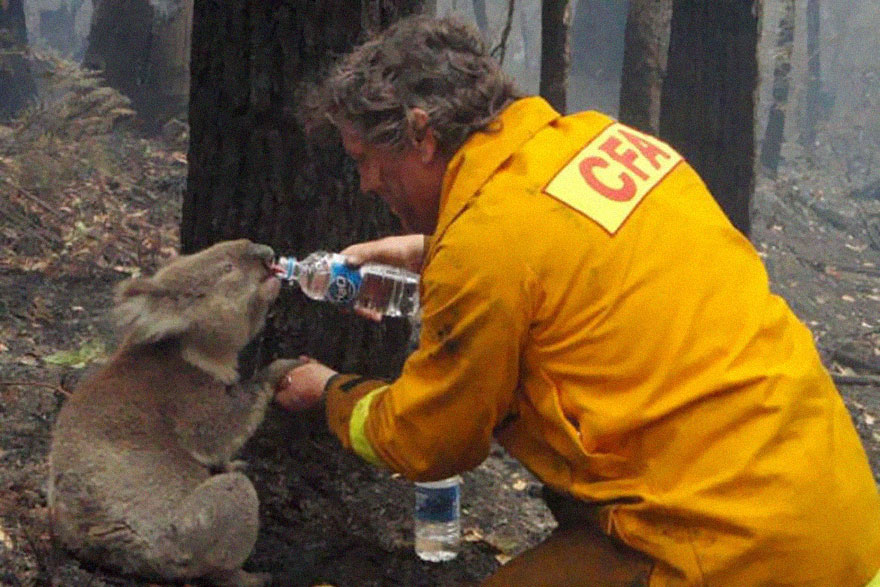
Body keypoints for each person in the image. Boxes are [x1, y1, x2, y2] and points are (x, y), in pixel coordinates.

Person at [274, 14, 880, 586]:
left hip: (731, 550)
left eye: (366, 161)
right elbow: (565, 260)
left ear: (421, 136)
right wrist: (430, 249)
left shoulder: (488, 248)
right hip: (838, 518)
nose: (366, 184)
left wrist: (329, 391)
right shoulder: (601, 141)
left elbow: (429, 440)